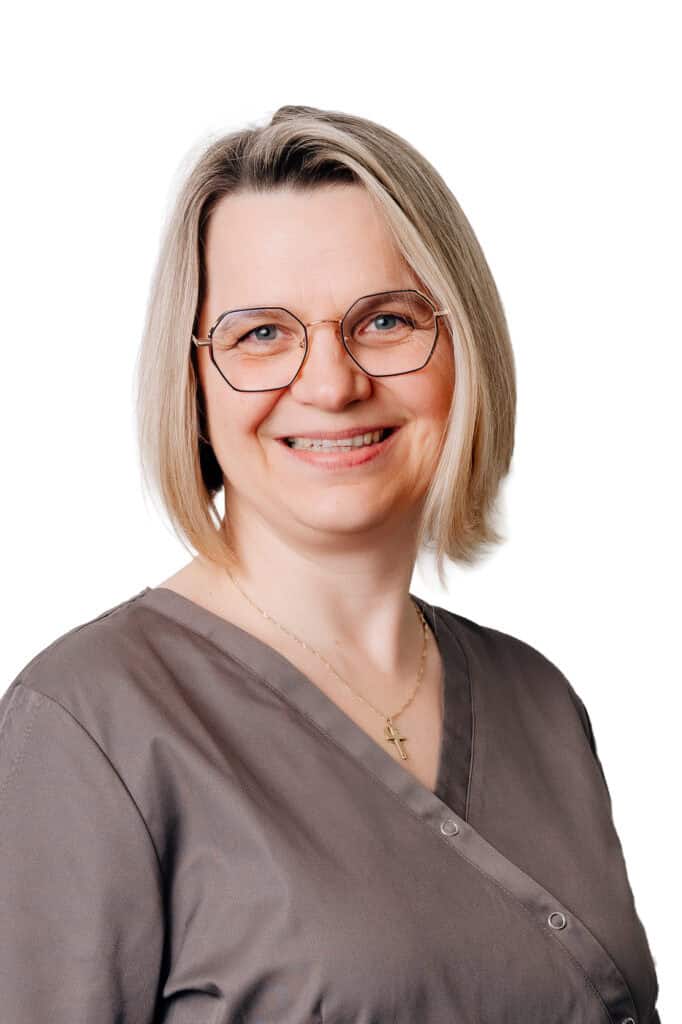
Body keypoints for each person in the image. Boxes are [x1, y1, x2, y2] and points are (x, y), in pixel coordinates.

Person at [0, 105, 661, 1023]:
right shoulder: (88, 724)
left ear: (463, 347)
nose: (332, 383)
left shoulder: (539, 701)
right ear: (193, 382)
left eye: (384, 320)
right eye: (261, 334)